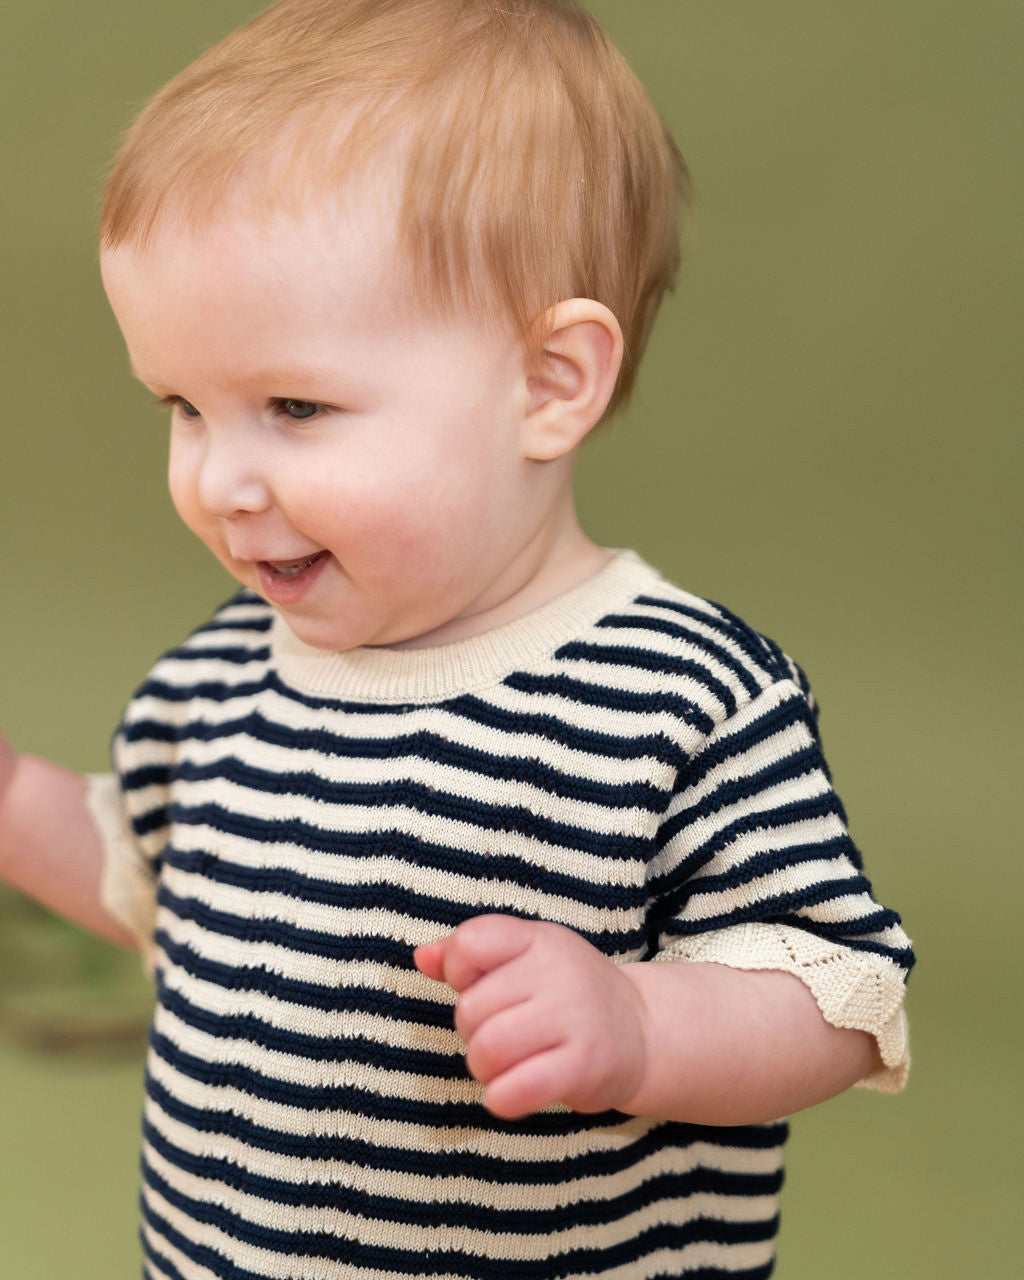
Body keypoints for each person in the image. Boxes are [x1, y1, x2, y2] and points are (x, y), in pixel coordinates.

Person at [0, 1, 914, 1277]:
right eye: (183, 406)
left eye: (293, 405)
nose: (218, 480)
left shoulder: (680, 696)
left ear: (549, 382)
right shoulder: (223, 671)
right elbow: (147, 872)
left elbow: (838, 989)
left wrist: (641, 1020)